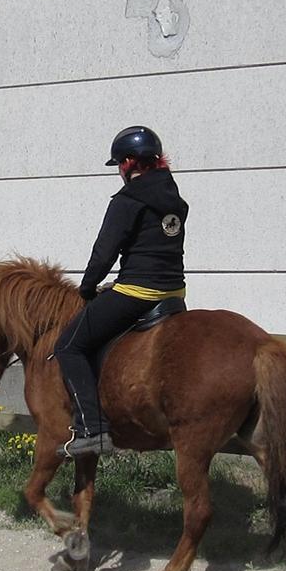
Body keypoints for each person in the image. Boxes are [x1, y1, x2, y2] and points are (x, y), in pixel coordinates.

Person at [54, 126, 189, 458]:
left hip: (137, 293)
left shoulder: (128, 200)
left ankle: (92, 430)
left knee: (68, 346)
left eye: (119, 164)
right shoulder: (173, 197)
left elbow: (104, 253)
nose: (119, 171)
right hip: (174, 294)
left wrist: (87, 287)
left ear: (130, 163)